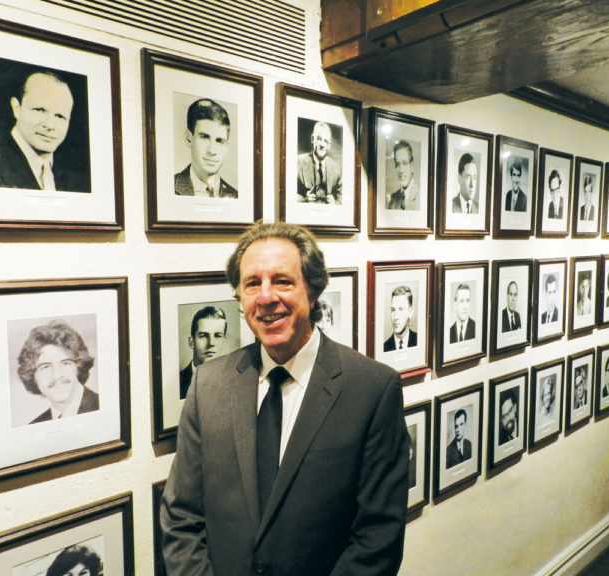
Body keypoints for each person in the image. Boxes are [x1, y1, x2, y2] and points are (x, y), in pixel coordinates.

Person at [160, 222, 409, 576]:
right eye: (252, 283)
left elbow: (378, 538)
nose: (265, 297)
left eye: (282, 281)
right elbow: (181, 516)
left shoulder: (372, 390)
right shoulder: (208, 385)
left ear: (313, 291)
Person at [0, 70, 90, 192]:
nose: (50, 125)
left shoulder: (76, 175)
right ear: (17, 108)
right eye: (39, 110)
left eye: (60, 116)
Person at [17, 320, 99, 425]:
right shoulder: (36, 425)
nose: (57, 375)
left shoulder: (105, 406)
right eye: (46, 367)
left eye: (65, 363)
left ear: (79, 367)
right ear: (32, 376)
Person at [174, 99, 238, 198]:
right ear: (189, 139)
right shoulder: (167, 187)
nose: (212, 151)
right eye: (204, 137)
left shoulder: (236, 196)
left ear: (227, 147)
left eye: (219, 141)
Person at [179, 306, 229, 399]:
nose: (211, 343)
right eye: (203, 336)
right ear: (191, 342)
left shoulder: (232, 380)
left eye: (217, 336)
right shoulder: (178, 383)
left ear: (223, 341)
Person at [297, 121, 342, 204]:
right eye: (319, 139)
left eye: (326, 141)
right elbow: (288, 193)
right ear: (312, 139)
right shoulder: (298, 162)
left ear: (329, 145)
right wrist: (303, 200)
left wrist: (334, 203)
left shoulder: (336, 168)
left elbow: (342, 198)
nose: (322, 145)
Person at [387, 140, 419, 210]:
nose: (401, 170)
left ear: (412, 166)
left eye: (405, 163)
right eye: (397, 164)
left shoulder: (421, 196)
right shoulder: (393, 199)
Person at [384, 285, 417, 351]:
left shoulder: (419, 341)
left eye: (401, 309)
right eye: (393, 310)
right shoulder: (385, 347)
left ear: (410, 312)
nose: (395, 317)